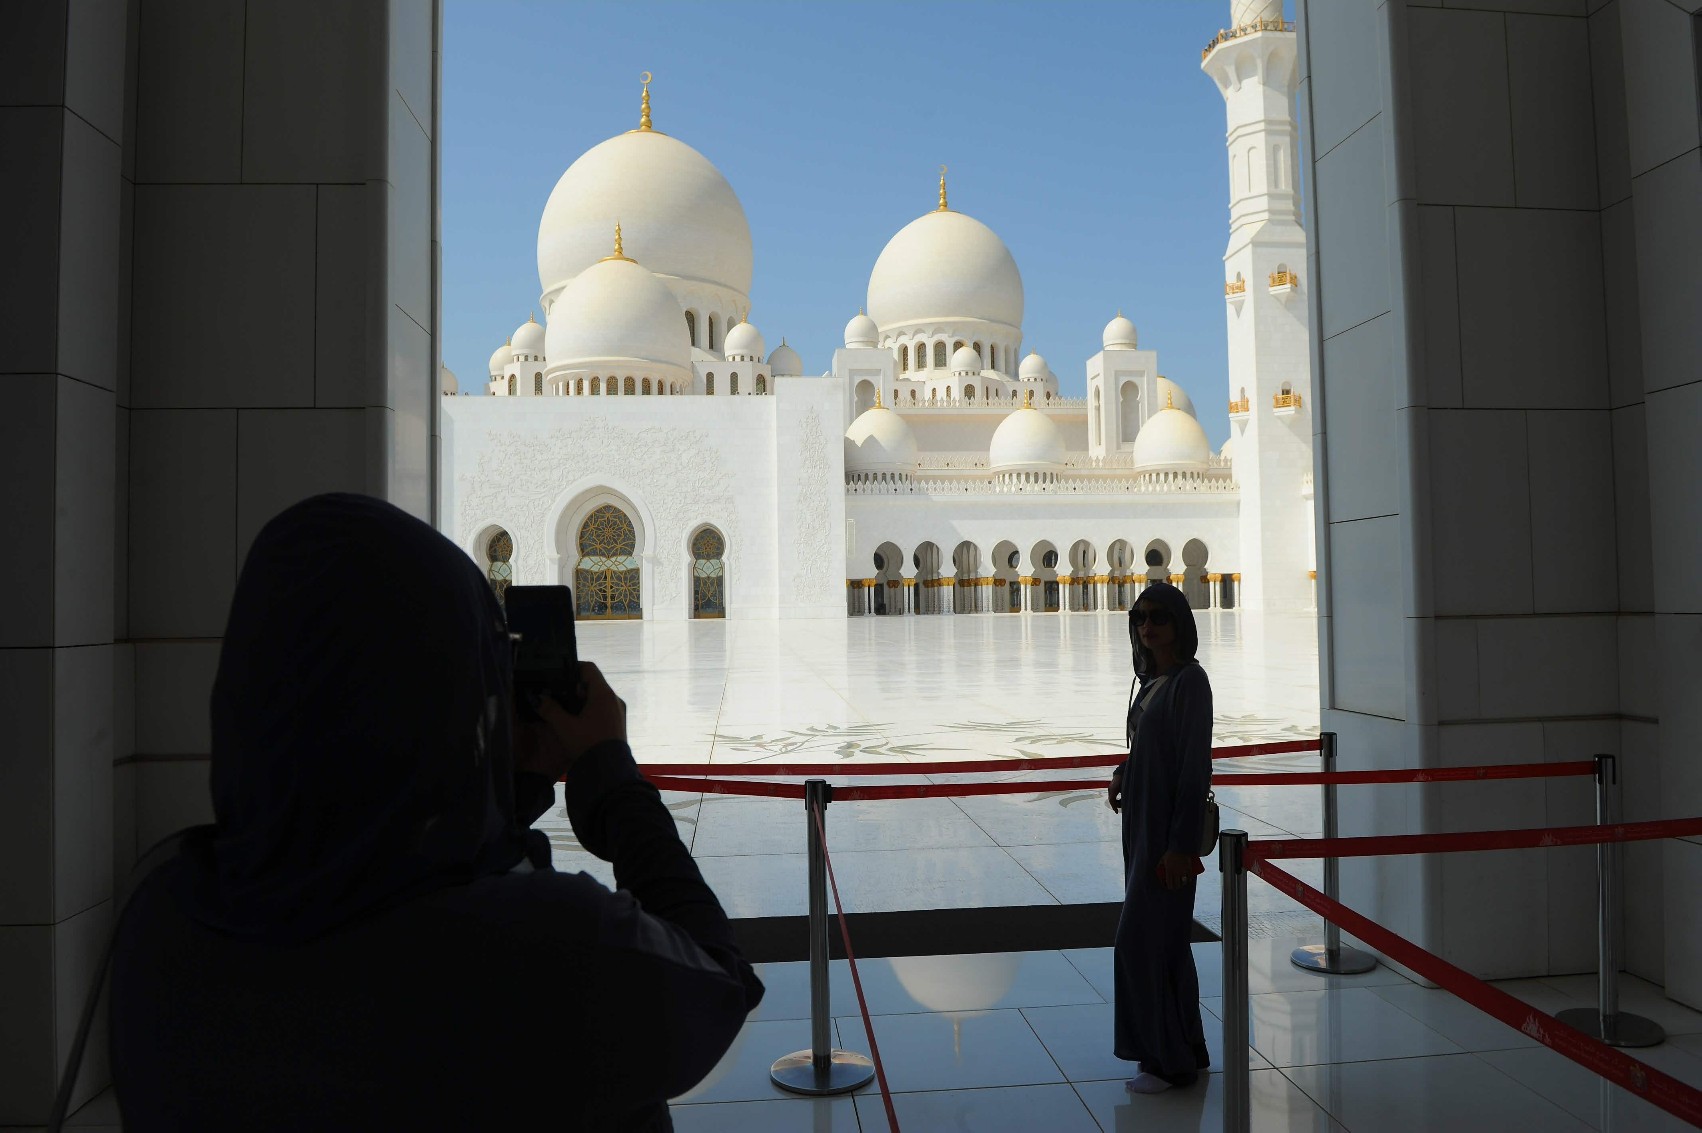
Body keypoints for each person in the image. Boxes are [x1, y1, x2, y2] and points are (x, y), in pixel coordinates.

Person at [108, 494, 763, 1131]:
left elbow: (383, 858)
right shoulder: (554, 950)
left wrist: (515, 784)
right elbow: (719, 983)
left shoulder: (162, 920)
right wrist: (612, 781)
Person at [1105, 581, 1213, 1094]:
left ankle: (1164, 1060)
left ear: (1180, 624)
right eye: (1141, 617)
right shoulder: (1153, 680)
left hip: (1167, 835)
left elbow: (1194, 769)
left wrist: (1179, 847)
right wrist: (1126, 770)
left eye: (1159, 617)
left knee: (1140, 941)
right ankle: (1184, 1048)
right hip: (1143, 827)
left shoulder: (1191, 682)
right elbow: (1155, 747)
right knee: (1166, 943)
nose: (1148, 626)